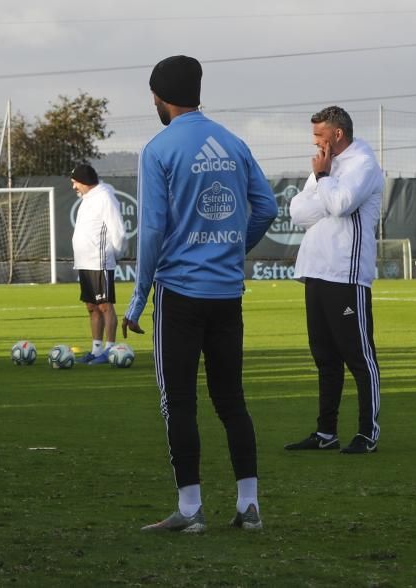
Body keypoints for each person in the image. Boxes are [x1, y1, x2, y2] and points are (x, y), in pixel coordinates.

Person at [123, 56, 277, 532]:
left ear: (159, 97)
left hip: (181, 293)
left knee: (180, 402)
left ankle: (190, 511)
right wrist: (233, 249)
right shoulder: (232, 142)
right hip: (227, 293)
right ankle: (248, 505)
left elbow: (151, 230)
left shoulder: (159, 149)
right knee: (232, 400)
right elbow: (267, 207)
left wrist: (138, 296)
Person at [284, 106, 383, 455]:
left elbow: (339, 204)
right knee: (325, 358)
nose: (315, 143)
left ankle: (367, 433)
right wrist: (325, 190)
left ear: (337, 134)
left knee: (359, 356)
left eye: (319, 136)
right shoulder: (327, 165)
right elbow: (298, 211)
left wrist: (324, 182)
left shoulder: (363, 164)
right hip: (316, 271)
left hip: (346, 274)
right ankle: (326, 433)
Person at [70, 163, 126, 364]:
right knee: (91, 306)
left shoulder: (104, 196)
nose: (74, 186)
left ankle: (110, 350)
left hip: (99, 260)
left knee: (105, 306)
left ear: (84, 181)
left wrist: (116, 253)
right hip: (85, 262)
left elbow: (117, 228)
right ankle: (96, 350)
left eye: (75, 182)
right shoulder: (87, 199)